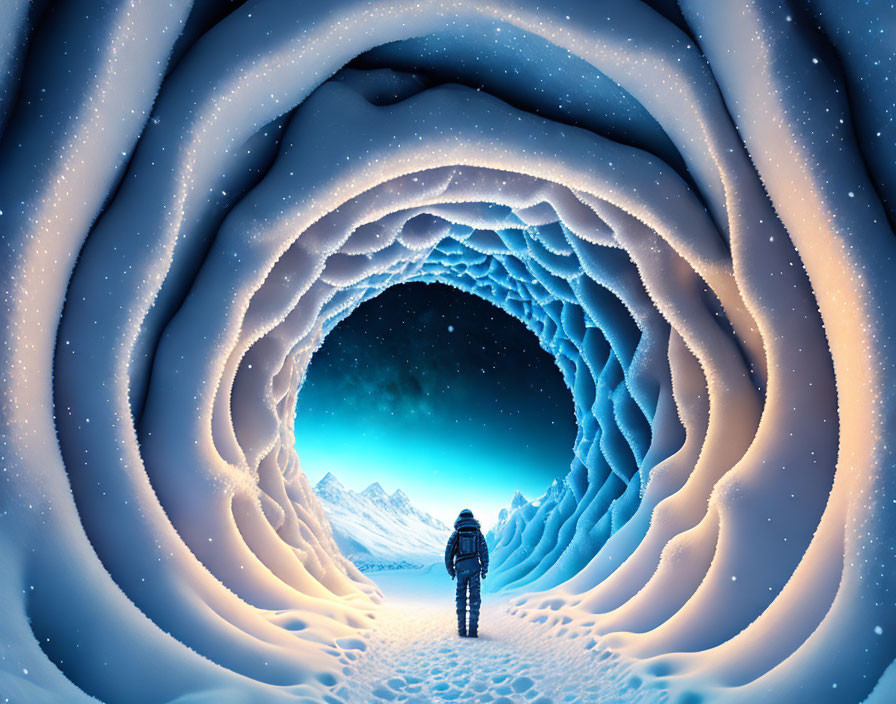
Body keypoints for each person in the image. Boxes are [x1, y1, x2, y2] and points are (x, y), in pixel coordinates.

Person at [444, 508, 489, 637]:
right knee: (475, 600)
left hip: (461, 570)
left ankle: (462, 631)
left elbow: (448, 554)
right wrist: (484, 570)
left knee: (461, 599)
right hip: (475, 569)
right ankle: (473, 631)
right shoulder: (478, 533)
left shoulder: (456, 534)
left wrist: (451, 570)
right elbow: (484, 552)